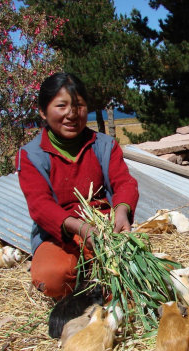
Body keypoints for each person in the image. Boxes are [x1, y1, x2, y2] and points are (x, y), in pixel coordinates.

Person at [16, 72, 139, 300]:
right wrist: (80, 228)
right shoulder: (31, 155)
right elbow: (40, 205)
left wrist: (121, 211)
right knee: (51, 277)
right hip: (60, 235)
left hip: (105, 230)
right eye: (61, 106)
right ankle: (84, 280)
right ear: (43, 111)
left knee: (140, 274)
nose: (72, 114)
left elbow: (124, 182)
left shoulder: (104, 145)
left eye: (79, 106)